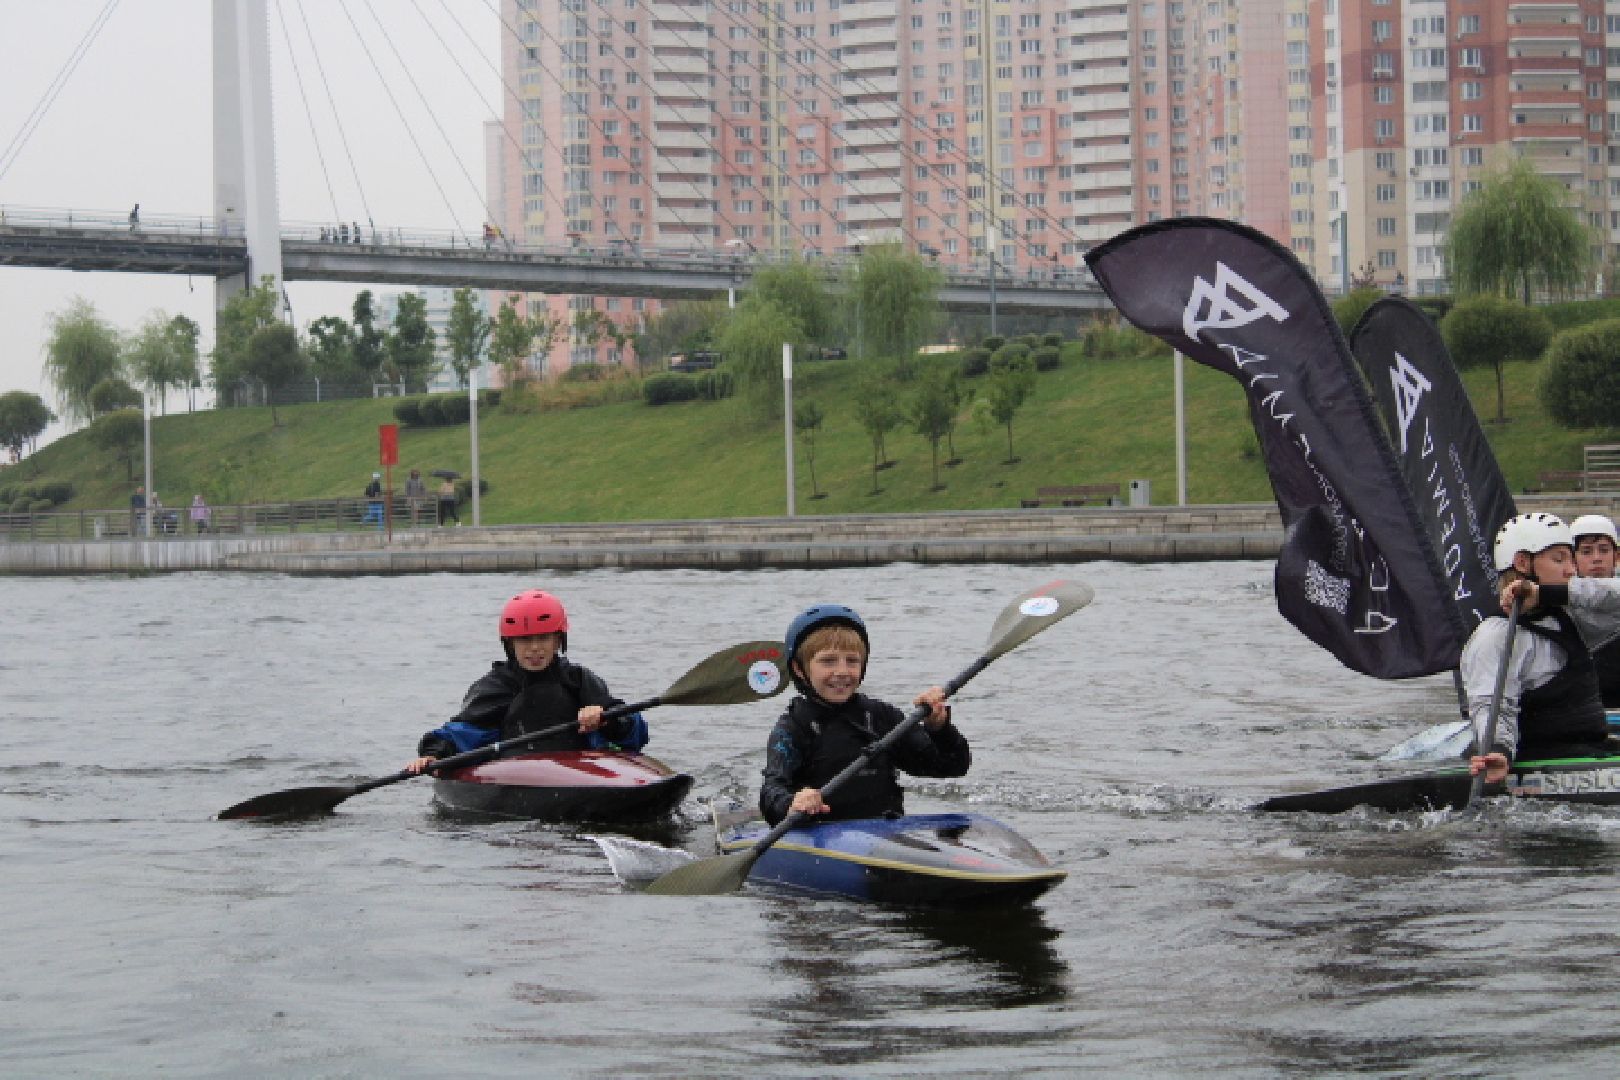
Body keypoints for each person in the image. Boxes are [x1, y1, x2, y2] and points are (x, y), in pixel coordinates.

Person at [759, 604, 968, 826]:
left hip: (885, 834)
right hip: (821, 837)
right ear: (799, 668)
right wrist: (792, 804)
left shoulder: (881, 718)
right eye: (828, 661)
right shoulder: (793, 727)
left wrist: (939, 728)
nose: (842, 671)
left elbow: (952, 766)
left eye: (852, 661)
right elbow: (771, 793)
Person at [405, 590, 647, 773]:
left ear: (558, 640)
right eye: (524, 640)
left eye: (543, 638)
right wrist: (434, 755)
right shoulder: (497, 686)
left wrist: (607, 719)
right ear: (510, 644)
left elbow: (635, 733)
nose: (534, 648)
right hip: (515, 772)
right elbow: (461, 734)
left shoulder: (579, 680)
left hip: (578, 770)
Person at [1465, 513, 1620, 784]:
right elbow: (1492, 706)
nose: (1571, 570)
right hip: (1541, 760)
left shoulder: (1569, 616)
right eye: (1559, 560)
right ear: (1523, 563)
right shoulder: (1496, 636)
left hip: (1589, 751)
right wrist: (1498, 750)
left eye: (1572, 560)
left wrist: (1549, 594)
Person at [1570, 513, 1620, 706]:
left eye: (1604, 550)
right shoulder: (1558, 607)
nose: (1597, 558)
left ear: (1616, 556)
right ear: (1572, 559)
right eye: (1586, 551)